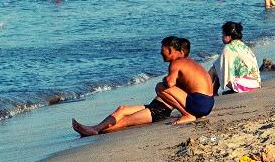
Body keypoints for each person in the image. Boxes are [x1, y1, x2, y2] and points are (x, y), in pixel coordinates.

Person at [72, 37, 215, 136]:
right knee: (122, 109)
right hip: (191, 103)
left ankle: (95, 132)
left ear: (171, 50)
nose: (160, 52)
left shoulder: (178, 63)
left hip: (161, 110)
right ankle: (94, 128)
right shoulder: (189, 66)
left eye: (163, 49)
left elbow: (169, 84)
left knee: (125, 121)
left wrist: (166, 79)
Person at [209, 21, 260, 95]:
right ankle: (213, 92)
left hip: (245, 86)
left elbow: (217, 67)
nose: (221, 37)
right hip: (255, 84)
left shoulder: (228, 48)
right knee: (219, 67)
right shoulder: (244, 46)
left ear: (228, 37)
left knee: (214, 70)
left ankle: (207, 93)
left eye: (223, 34)